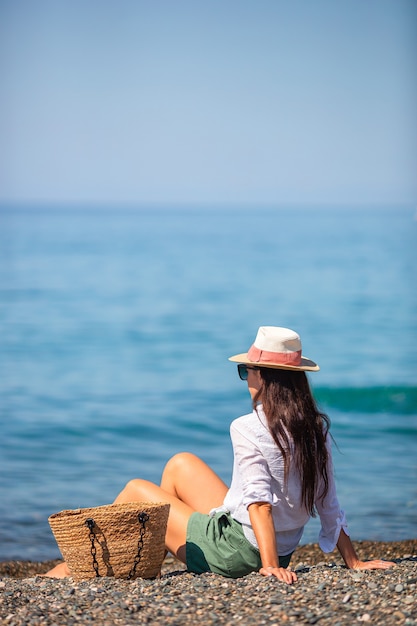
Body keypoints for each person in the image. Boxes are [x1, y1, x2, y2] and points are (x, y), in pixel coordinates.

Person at [46, 326, 395, 583]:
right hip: (274, 545)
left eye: (247, 371)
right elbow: (327, 500)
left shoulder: (247, 427)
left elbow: (259, 503)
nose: (245, 379)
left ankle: (89, 565)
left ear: (266, 378)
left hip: (237, 552)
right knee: (180, 464)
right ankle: (147, 555)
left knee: (136, 489)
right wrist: (353, 561)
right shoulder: (315, 428)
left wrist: (270, 567)